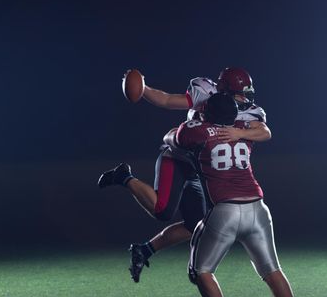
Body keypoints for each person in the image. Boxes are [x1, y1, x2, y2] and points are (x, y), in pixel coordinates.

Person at [98, 67, 272, 283]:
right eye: (239, 93)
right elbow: (167, 100)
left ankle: (144, 250)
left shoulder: (250, 112)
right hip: (178, 158)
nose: (244, 98)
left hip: (201, 169)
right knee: (162, 210)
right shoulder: (204, 93)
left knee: (195, 225)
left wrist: (239, 132)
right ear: (224, 90)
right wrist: (143, 88)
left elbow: (265, 132)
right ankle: (124, 176)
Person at [169, 93, 315, 297]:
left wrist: (194, 121)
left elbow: (172, 138)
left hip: (225, 211)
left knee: (200, 270)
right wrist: (240, 130)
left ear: (207, 114)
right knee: (271, 270)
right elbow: (264, 131)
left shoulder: (198, 131)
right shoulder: (243, 129)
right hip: (258, 209)